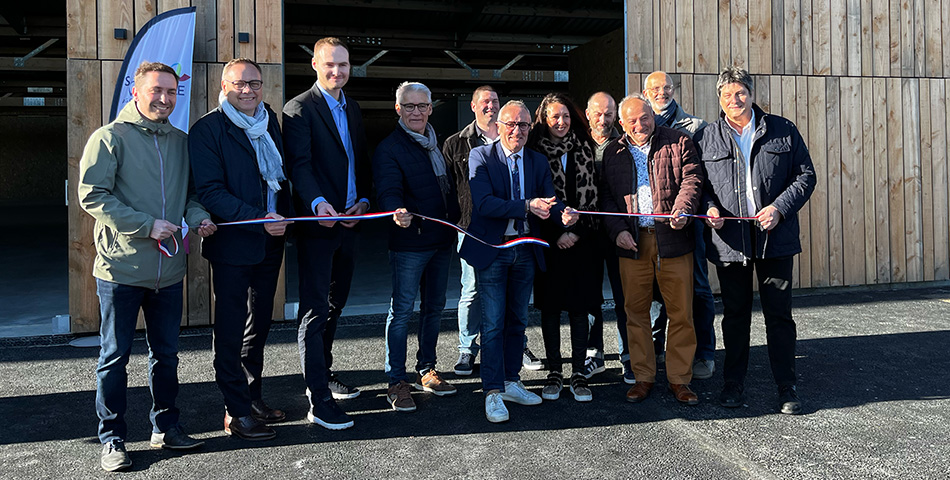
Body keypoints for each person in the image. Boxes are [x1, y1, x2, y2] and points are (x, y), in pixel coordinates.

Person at [78, 61, 216, 472]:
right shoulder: (109, 138)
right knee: (114, 357)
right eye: (157, 90)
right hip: (120, 270)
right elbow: (92, 195)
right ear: (136, 92)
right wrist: (146, 225)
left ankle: (166, 427)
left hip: (168, 273)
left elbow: (191, 195)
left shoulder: (181, 142)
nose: (165, 99)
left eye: (171, 92)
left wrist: (198, 218)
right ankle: (112, 438)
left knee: (166, 356)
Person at [694, 66, 816, 414]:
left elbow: (806, 176)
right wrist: (709, 208)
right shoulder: (706, 138)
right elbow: (698, 185)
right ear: (719, 98)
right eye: (727, 94)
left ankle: (787, 385)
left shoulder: (782, 129)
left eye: (740, 93)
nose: (734, 100)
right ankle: (733, 383)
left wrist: (779, 208)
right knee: (735, 316)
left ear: (751, 94)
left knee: (779, 316)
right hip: (730, 241)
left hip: (774, 238)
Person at [189, 58, 293, 441]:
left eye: (255, 83)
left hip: (270, 240)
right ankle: (235, 411)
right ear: (224, 87)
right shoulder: (207, 130)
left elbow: (279, 179)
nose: (248, 90)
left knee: (259, 324)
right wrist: (259, 217)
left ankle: (251, 398)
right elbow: (211, 191)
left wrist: (283, 218)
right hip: (233, 244)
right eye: (239, 84)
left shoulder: (269, 122)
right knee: (231, 329)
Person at [459, 100, 579, 423]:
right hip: (494, 249)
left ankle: (511, 380)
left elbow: (549, 201)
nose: (517, 131)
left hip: (526, 249)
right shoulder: (481, 156)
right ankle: (492, 390)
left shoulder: (537, 161)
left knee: (517, 320)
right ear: (498, 127)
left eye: (523, 125)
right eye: (510, 124)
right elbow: (485, 204)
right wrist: (527, 205)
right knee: (493, 323)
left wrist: (563, 213)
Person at [283, 37, 372, 430]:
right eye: (330, 64)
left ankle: (324, 373)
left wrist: (364, 200)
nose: (338, 71)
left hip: (349, 222)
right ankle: (317, 398)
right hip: (319, 225)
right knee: (315, 309)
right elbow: (299, 165)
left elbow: (359, 160)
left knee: (336, 304)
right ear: (315, 65)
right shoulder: (299, 109)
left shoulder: (352, 106)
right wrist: (318, 203)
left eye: (344, 65)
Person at [599, 94, 703, 406]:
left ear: (653, 116)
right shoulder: (613, 152)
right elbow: (606, 197)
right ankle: (643, 376)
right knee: (635, 312)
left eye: (645, 117)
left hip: (674, 238)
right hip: (632, 242)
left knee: (681, 312)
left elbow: (692, 179)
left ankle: (679, 379)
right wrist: (617, 231)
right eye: (632, 120)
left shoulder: (679, 141)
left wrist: (684, 209)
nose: (640, 124)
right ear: (621, 123)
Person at [443, 86, 543, 376]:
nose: (490, 105)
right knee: (473, 292)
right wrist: (456, 221)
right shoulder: (460, 144)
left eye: (495, 101)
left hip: (520, 240)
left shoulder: (527, 149)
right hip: (475, 230)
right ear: (474, 106)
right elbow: (453, 189)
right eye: (485, 102)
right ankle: (468, 349)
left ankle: (515, 355)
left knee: (515, 308)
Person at [373, 81, 461, 412]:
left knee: (434, 308)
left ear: (430, 109)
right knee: (401, 312)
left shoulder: (438, 144)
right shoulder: (390, 148)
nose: (416, 112)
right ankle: (396, 381)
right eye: (409, 106)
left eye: (422, 106)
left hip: (440, 240)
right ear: (398, 109)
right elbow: (387, 189)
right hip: (410, 242)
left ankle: (427, 369)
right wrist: (395, 210)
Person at [642, 71, 717, 381]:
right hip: (653, 222)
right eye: (655, 89)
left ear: (674, 90)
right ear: (645, 93)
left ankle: (704, 352)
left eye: (667, 87)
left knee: (697, 285)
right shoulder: (640, 125)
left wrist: (699, 207)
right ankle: (656, 348)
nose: (662, 93)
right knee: (655, 288)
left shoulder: (695, 127)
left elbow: (703, 176)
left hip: (689, 221)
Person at [526, 93, 601, 402]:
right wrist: (556, 233)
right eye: (555, 116)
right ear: (544, 119)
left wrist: (577, 232)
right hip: (550, 242)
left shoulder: (586, 147)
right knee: (551, 309)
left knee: (580, 308)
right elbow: (532, 200)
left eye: (566, 116)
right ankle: (555, 371)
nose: (561, 121)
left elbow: (595, 198)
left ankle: (579, 372)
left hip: (583, 241)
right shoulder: (533, 152)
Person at [584, 91, 631, 383]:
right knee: (590, 295)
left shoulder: (625, 145)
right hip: (588, 232)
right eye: (598, 114)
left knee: (625, 294)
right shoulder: (577, 145)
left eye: (609, 114)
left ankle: (629, 355)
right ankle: (595, 354)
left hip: (619, 230)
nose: (603, 119)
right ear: (588, 114)